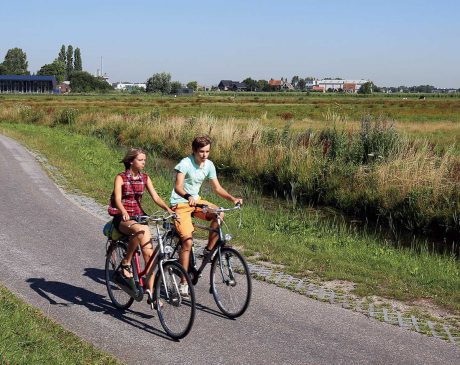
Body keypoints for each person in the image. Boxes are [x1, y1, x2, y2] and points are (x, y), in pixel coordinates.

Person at [170, 136, 243, 296]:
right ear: (195, 151)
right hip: (180, 203)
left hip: (196, 202)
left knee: (219, 213)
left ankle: (208, 250)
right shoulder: (185, 163)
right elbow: (177, 187)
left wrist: (232, 198)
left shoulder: (209, 165)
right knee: (187, 242)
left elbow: (217, 188)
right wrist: (187, 195)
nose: (204, 155)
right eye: (201, 151)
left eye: (207, 151)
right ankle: (183, 282)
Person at [108, 147, 174, 303]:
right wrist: (123, 210)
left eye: (145, 160)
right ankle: (126, 262)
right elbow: (117, 199)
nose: (144, 163)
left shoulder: (145, 178)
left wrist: (168, 209)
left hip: (139, 215)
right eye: (140, 160)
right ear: (131, 161)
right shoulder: (121, 177)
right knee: (140, 230)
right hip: (122, 217)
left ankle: (151, 293)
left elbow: (155, 197)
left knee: (149, 255)